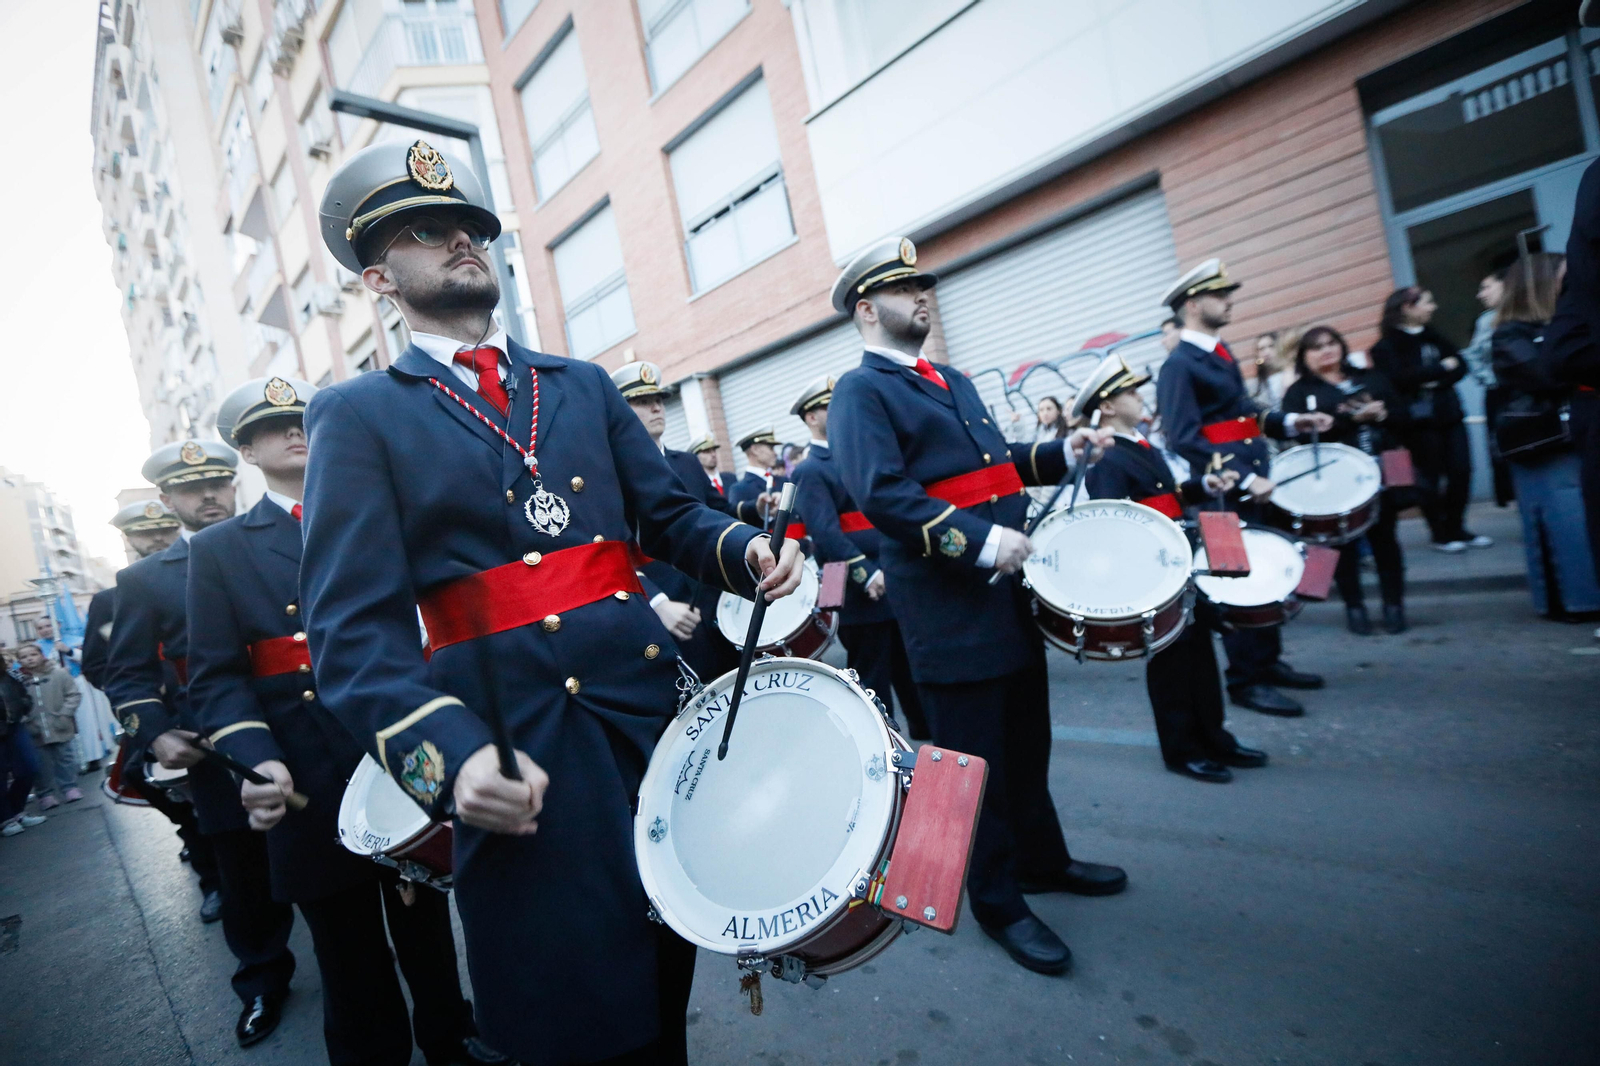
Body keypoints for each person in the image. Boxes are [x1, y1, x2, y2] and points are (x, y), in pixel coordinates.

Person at [300, 139, 803, 1065]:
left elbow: (669, 516)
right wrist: (447, 763)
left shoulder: (581, 385)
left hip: (645, 721)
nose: (461, 240)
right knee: (572, 1014)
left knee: (664, 977)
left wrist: (745, 549)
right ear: (378, 278)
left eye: (469, 226)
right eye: (426, 231)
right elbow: (351, 640)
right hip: (509, 747)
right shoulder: (360, 415)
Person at [828, 234, 1127, 978]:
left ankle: (1042, 861)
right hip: (949, 608)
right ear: (867, 310)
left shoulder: (953, 379)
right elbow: (882, 494)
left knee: (1028, 744)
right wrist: (984, 543)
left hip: (1005, 599)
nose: (922, 296)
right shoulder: (861, 391)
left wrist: (1062, 454)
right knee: (976, 764)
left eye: (923, 286)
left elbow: (995, 467)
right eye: (904, 289)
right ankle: (999, 902)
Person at [188, 376, 505, 1066]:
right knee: (347, 949)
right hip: (306, 771)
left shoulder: (381, 510)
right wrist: (255, 756)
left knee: (427, 919)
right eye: (271, 428)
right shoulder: (220, 549)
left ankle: (452, 1038)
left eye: (303, 419)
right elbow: (215, 677)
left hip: (400, 751)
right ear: (247, 452)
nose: (294, 431)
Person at [104, 439, 297, 1047]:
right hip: (214, 743)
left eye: (217, 483)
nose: (208, 496)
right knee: (244, 874)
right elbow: (126, 674)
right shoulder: (143, 579)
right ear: (167, 500)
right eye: (191, 489)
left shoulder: (279, 537)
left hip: (297, 724)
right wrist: (157, 733)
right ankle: (263, 979)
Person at [1155, 258, 1333, 718]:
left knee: (1267, 574)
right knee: (1238, 585)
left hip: (1252, 483)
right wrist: (1247, 477)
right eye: (1219, 295)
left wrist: (1290, 422)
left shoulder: (1220, 351)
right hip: (1224, 491)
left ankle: (1268, 662)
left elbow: (1241, 414)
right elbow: (1184, 438)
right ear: (1194, 305)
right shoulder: (1179, 365)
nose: (1229, 301)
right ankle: (1245, 680)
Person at [1074, 354, 1261, 782]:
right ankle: (1182, 749)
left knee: (1200, 654)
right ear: (1107, 406)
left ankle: (1214, 736)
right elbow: (1115, 523)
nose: (1140, 397)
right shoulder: (1106, 457)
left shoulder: (1140, 446)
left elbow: (1165, 497)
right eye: (1130, 392)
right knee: (1172, 664)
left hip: (1180, 563)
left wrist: (1202, 486)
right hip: (1152, 573)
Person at [789, 374, 929, 739]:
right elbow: (825, 534)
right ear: (811, 418)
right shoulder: (809, 469)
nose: (836, 410)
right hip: (853, 581)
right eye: (826, 406)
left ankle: (926, 732)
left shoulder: (857, 452)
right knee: (872, 670)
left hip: (889, 570)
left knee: (908, 662)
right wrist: (865, 572)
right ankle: (881, 744)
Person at [612, 360, 741, 685]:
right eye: (643, 402)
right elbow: (613, 549)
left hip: (716, 599)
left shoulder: (687, 462)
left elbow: (719, 515)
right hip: (667, 610)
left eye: (659, 399)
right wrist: (657, 602)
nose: (657, 407)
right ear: (621, 411)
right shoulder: (610, 473)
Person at [1281, 327, 1412, 635]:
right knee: (1342, 546)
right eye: (1316, 347)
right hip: (1333, 481)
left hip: (1379, 471)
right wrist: (1351, 419)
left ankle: (1394, 606)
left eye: (1331, 344)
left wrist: (1383, 415)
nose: (1326, 351)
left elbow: (1404, 416)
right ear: (1304, 356)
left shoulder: (1370, 378)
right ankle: (1355, 607)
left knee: (1386, 540)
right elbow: (1299, 436)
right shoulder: (1299, 392)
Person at [1492, 253, 1600, 619]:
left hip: (1570, 432)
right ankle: (1575, 600)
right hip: (1544, 440)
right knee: (1564, 522)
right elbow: (1546, 374)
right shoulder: (1511, 333)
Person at [1370, 286, 1490, 553]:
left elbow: (1460, 366)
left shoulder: (1434, 336)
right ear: (1407, 308)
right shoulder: (1386, 346)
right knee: (1429, 478)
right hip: (1417, 421)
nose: (1432, 307)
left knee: (1461, 470)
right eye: (1426, 302)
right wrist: (1439, 369)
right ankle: (1440, 533)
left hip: (1450, 413)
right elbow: (1398, 379)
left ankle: (1457, 527)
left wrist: (1432, 377)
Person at [17, 642, 81, 808]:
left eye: (33, 654)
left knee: (65, 758)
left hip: (59, 724)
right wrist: (24, 720)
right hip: (33, 729)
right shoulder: (18, 680)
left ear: (42, 655)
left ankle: (69, 787)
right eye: (24, 657)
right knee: (40, 763)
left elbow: (73, 694)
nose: (29, 659)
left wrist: (65, 713)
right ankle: (45, 794)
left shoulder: (59, 674)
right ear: (19, 661)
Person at [0, 665, 45, 837]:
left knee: (29, 767)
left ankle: (16, 811)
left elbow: (25, 695)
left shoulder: (9, 674)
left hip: (15, 726)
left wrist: (23, 704)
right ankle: (5, 818)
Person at [727, 428, 787, 526]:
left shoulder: (783, 481)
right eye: (771, 448)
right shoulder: (739, 489)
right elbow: (738, 523)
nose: (775, 453)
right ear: (755, 450)